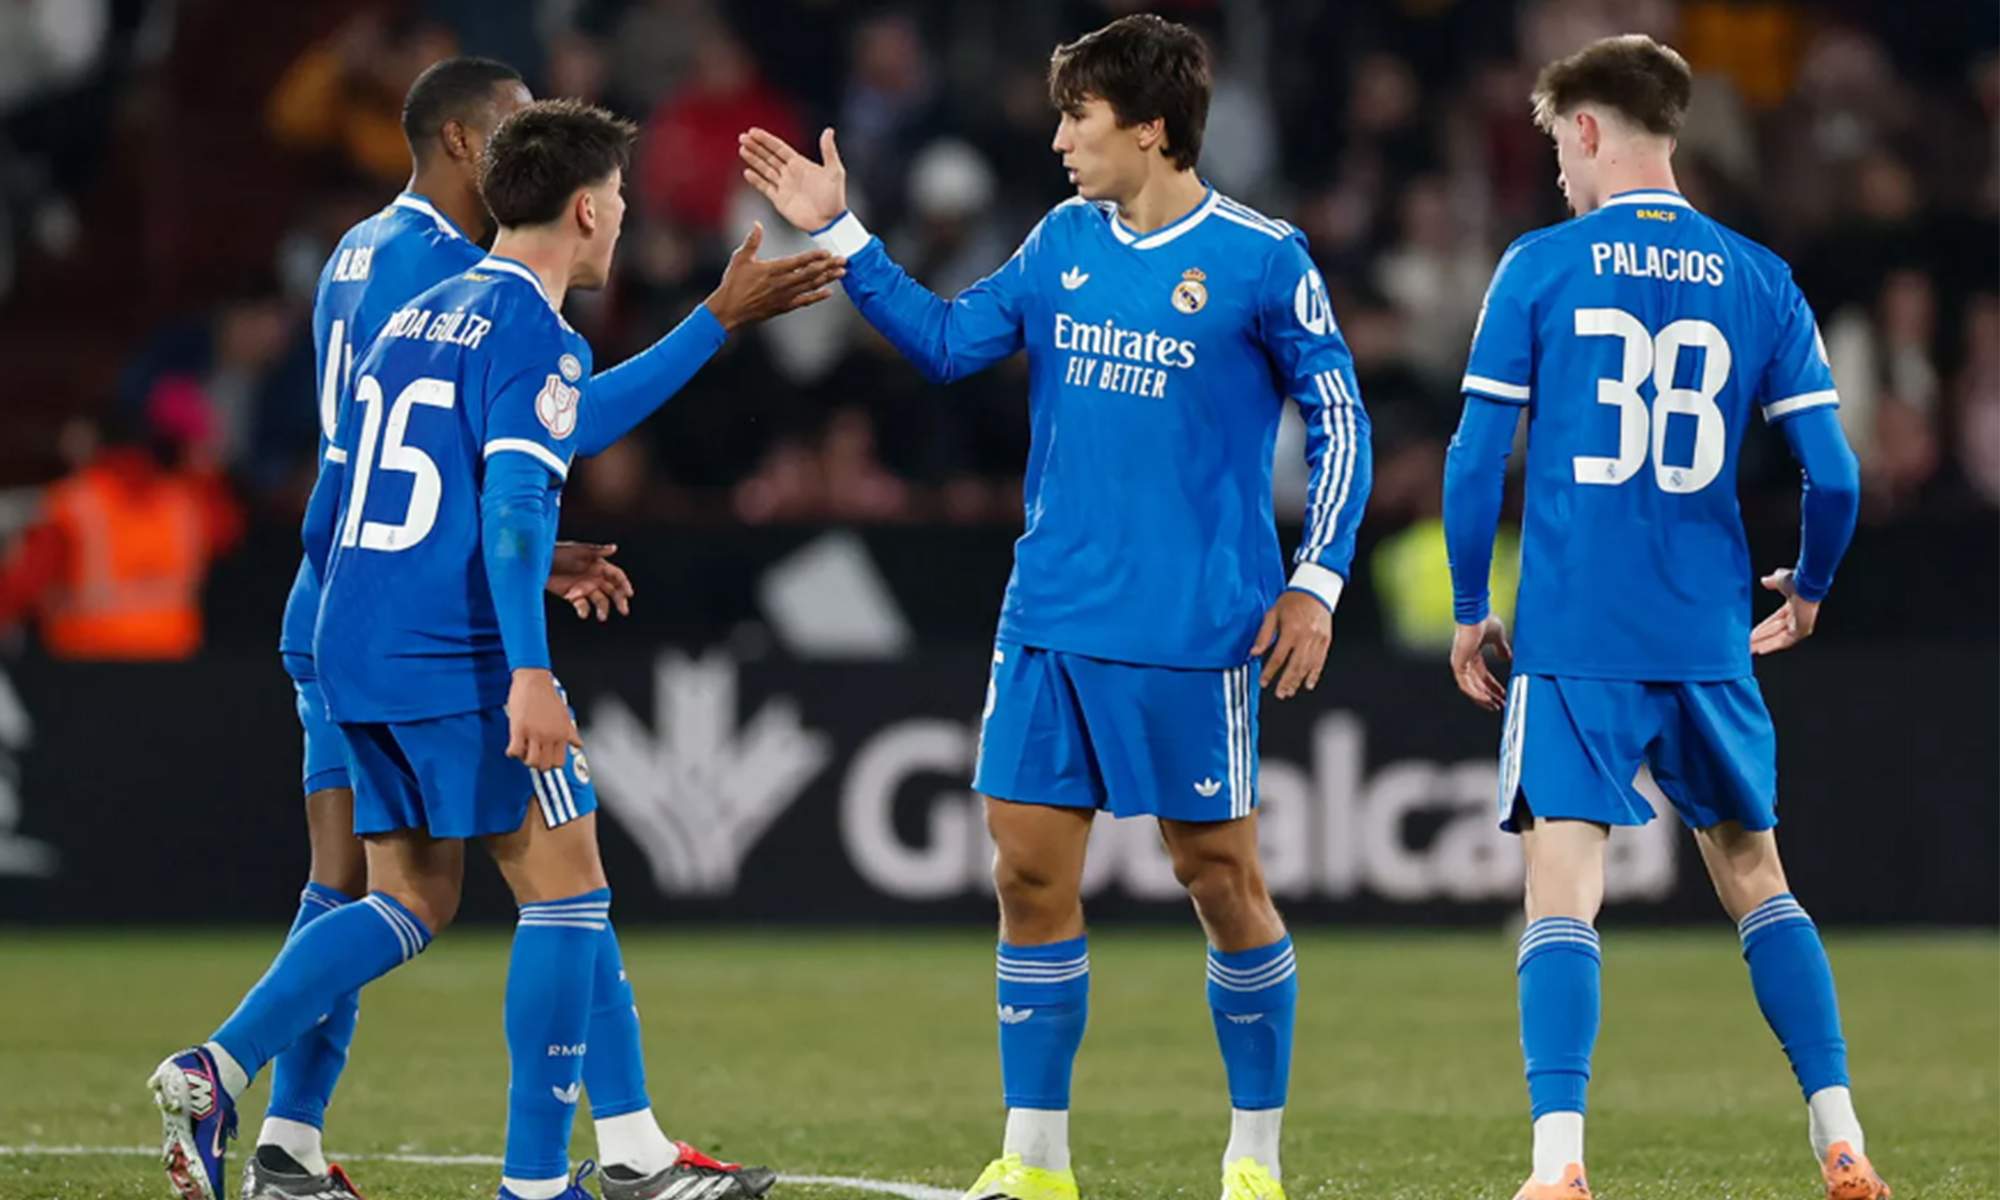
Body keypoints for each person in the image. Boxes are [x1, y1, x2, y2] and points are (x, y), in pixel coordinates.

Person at [148, 95, 842, 1200]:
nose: (620, 224)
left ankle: (215, 1065)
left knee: (407, 901)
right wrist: (526, 663)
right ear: (582, 207)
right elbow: (518, 500)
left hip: (352, 639)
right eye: (614, 204)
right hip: (454, 653)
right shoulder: (531, 328)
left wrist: (711, 322)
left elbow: (338, 507)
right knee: (566, 896)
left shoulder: (419, 313)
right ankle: (538, 1184)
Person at [741, 15, 1372, 1200]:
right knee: (1026, 875)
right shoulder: (1058, 242)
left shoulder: (1260, 256)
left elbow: (1340, 420)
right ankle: (1034, 1161)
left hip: (1195, 624)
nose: (1057, 137)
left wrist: (1314, 580)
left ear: (1148, 128)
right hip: (1048, 617)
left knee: (1217, 877)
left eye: (1077, 117)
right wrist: (838, 227)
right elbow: (941, 342)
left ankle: (1252, 1158)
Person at [1439, 35, 1888, 1200]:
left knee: (1560, 893)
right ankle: (1839, 1136)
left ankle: (1558, 1165)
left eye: (1554, 146)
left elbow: (1474, 453)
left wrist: (1468, 610)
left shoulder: (1538, 264)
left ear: (1587, 129)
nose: (1553, 172)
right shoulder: (1757, 277)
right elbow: (1831, 474)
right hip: (1703, 634)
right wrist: (1810, 584)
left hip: (1576, 634)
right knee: (1757, 880)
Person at [0, 410, 240, 660]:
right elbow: (228, 532)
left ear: (90, 442)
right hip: (173, 655)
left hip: (88, 660)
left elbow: (23, 584)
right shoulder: (184, 501)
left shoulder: (76, 502)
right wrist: (208, 475)